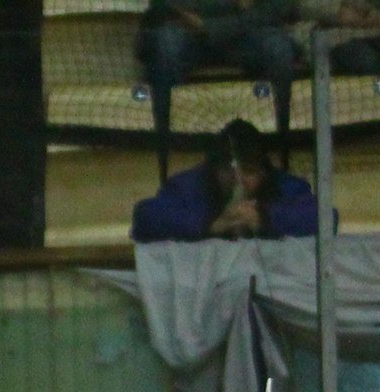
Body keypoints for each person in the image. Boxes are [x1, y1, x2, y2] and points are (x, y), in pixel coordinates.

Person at [136, 3, 301, 177]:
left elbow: (280, 8)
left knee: (278, 48)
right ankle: (164, 167)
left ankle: (284, 160)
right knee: (165, 44)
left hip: (245, 34)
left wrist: (212, 26)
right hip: (187, 33)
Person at [130, 118, 320, 243]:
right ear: (213, 169)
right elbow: (145, 216)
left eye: (248, 171)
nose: (238, 180)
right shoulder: (188, 185)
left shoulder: (285, 186)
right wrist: (210, 223)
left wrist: (264, 217)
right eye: (228, 170)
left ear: (264, 172)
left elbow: (324, 217)